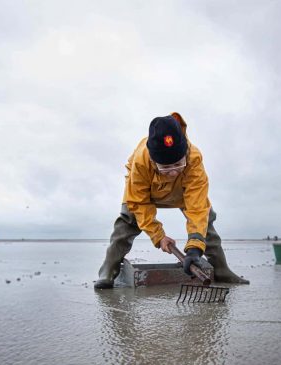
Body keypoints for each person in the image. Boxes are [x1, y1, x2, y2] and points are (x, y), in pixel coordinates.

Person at [94, 112, 249, 289]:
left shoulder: (194, 158)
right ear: (154, 161)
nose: (173, 171)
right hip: (147, 192)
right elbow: (139, 202)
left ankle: (222, 270)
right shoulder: (140, 161)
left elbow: (197, 206)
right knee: (127, 221)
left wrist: (195, 247)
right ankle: (107, 271)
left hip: (181, 192)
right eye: (166, 168)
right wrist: (159, 236)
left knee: (207, 218)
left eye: (178, 165)